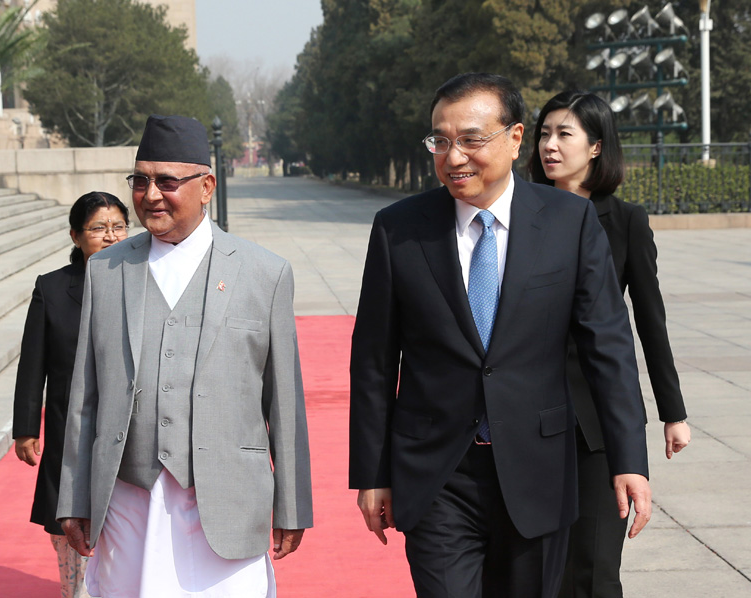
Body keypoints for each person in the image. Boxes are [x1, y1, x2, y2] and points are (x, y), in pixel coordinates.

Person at [349, 73, 652, 598]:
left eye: (470, 139)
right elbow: (374, 361)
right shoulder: (399, 228)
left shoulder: (569, 221)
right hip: (437, 473)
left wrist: (629, 460)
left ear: (514, 139)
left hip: (539, 469)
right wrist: (371, 472)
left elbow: (609, 346)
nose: (453, 156)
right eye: (440, 141)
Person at [56, 115, 313, 598]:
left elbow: (285, 402)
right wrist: (73, 494)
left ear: (207, 185)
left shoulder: (264, 273)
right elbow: (84, 396)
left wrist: (293, 505)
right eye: (141, 180)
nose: (151, 195)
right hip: (129, 499)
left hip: (227, 499)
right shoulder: (107, 271)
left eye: (168, 181)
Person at [529, 90, 691, 598]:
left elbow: (649, 321)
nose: (548, 146)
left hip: (599, 420)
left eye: (564, 134)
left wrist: (673, 411)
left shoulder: (625, 221)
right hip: (530, 417)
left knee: (595, 569)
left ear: (596, 147)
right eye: (543, 133)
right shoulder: (519, 215)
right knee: (536, 573)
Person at [13, 191, 130, 598]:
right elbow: (33, 362)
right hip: (71, 429)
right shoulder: (52, 288)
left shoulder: (145, 281)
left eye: (118, 226)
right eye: (98, 228)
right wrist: (26, 427)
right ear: (76, 236)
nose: (110, 236)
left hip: (128, 430)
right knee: (68, 528)